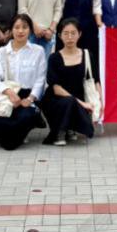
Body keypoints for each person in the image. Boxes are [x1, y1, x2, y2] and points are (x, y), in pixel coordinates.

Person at [0, 14, 47, 150]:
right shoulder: (1, 52)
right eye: (16, 27)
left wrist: (30, 99)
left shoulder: (38, 51)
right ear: (10, 30)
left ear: (30, 30)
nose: (20, 31)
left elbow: (40, 79)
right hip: (5, 97)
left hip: (27, 97)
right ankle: (17, 134)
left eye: (24, 27)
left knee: (25, 117)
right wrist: (9, 92)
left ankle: (12, 136)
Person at [41, 18, 101, 146]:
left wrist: (99, 102)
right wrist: (82, 104)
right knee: (68, 102)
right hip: (56, 100)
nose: (69, 37)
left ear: (79, 34)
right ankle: (59, 132)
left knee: (88, 130)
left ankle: (70, 127)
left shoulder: (87, 54)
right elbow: (56, 88)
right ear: (59, 35)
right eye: (66, 33)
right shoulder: (54, 58)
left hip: (79, 98)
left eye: (73, 33)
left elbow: (96, 80)